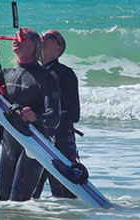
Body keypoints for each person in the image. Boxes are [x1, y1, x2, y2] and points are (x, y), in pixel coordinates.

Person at [0, 28, 61, 202]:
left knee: (18, 203)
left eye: (22, 37)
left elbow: (54, 118)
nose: (16, 40)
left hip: (33, 144)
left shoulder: (47, 78)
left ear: (34, 44)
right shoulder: (8, 74)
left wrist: (34, 116)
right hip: (9, 141)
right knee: (4, 202)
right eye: (14, 37)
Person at [33, 30, 80, 199]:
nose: (43, 37)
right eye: (42, 34)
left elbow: (74, 114)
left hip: (60, 139)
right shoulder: (32, 72)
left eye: (50, 37)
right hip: (36, 137)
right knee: (31, 196)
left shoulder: (65, 74)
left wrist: (47, 121)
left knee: (64, 195)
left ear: (58, 48)